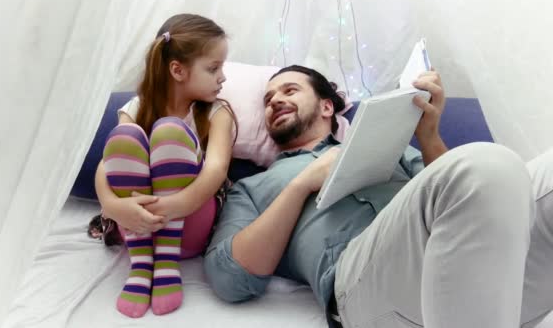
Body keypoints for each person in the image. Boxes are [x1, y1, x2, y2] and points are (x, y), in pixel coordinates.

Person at [204, 65, 553, 328]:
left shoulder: (392, 146)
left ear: (327, 107)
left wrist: (429, 136)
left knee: (514, 167)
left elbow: (470, 196)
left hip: (481, 271)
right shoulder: (252, 188)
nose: (276, 100)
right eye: (268, 100)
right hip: (367, 283)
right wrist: (301, 184)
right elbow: (228, 278)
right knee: (489, 163)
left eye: (290, 90)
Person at [94, 14, 237, 318]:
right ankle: (142, 265)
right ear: (177, 70)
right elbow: (106, 166)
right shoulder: (137, 108)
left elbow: (215, 172)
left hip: (189, 221)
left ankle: (166, 262)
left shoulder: (216, 112)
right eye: (213, 68)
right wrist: (112, 206)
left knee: (170, 131)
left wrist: (171, 206)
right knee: (125, 137)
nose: (223, 77)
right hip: (136, 227)